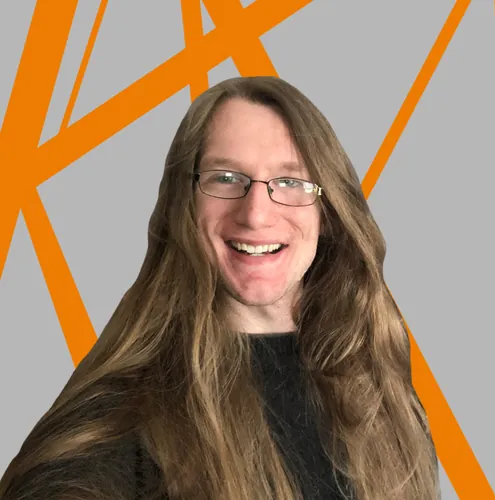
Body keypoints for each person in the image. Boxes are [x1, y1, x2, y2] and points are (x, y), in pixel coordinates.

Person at [0, 76, 440, 500]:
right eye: (226, 178)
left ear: (328, 211)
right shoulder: (126, 412)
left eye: (290, 182)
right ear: (185, 205)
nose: (256, 214)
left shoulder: (378, 385)